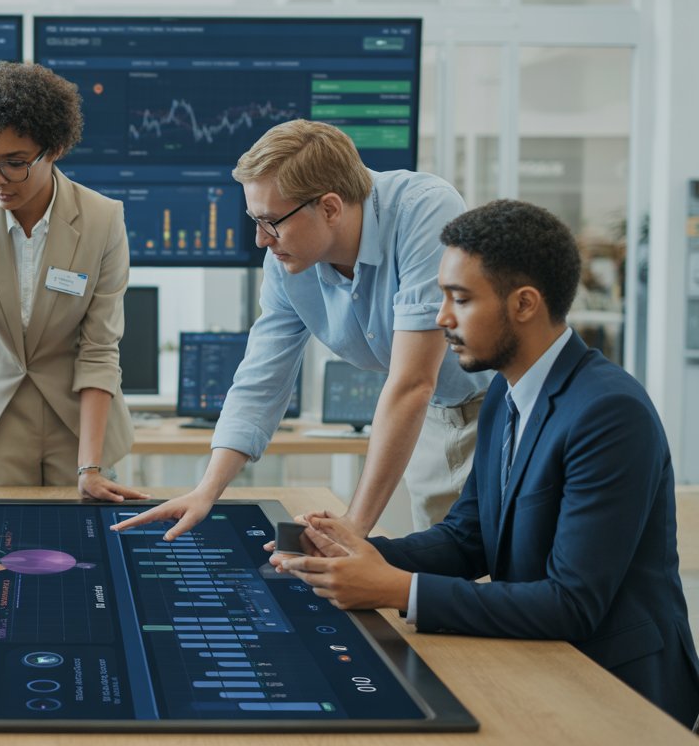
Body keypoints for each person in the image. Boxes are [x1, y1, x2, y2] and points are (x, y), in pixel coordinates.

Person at [267, 200, 699, 727]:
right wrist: (355, 555)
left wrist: (394, 588)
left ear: (524, 304)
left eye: (460, 299)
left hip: (619, 688)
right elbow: (469, 536)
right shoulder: (504, 393)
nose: (441, 316)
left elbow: (572, 602)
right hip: (542, 660)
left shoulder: (609, 412)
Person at [117, 119, 491, 539]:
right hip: (433, 415)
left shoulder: (424, 210)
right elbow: (262, 376)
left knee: (508, 580)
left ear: (330, 207)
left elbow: (412, 382)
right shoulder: (287, 261)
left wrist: (353, 528)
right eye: (254, 220)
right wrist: (207, 491)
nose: (260, 239)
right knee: (444, 570)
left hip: (501, 409)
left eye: (271, 221)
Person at [0, 62, 140, 512]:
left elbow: (99, 348)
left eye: (15, 163)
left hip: (80, 426)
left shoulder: (103, 219)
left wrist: (90, 467)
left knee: (87, 554)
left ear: (55, 149)